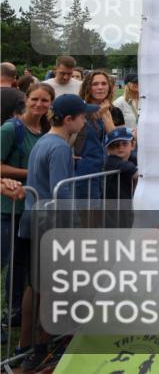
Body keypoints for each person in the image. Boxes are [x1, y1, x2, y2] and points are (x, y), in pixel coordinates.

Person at [17, 94, 98, 372]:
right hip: (51, 225)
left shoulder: (44, 141)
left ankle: (26, 345)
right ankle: (41, 348)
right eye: (83, 117)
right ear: (69, 119)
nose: (85, 121)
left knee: (35, 285)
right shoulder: (60, 147)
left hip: (33, 220)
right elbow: (60, 192)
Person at [1, 82, 54, 328]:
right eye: (35, 99)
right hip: (9, 206)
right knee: (10, 261)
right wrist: (32, 172)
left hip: (34, 208)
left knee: (24, 263)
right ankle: (11, 311)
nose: (39, 104)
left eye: (44, 100)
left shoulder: (46, 130)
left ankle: (19, 311)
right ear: (27, 100)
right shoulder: (11, 129)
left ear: (51, 104)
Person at [75, 70, 124, 201]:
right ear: (87, 87)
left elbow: (115, 140)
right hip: (82, 173)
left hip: (101, 171)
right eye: (95, 84)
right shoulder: (79, 109)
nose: (100, 87)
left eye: (104, 83)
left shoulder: (108, 110)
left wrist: (106, 116)